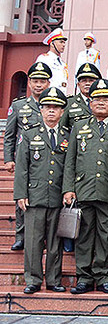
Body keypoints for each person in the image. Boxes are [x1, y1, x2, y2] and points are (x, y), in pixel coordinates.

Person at [63, 79, 108, 295]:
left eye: (105, 99)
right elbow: (70, 160)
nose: (100, 102)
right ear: (90, 103)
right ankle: (84, 277)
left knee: (107, 236)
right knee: (84, 235)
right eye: (96, 99)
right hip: (84, 189)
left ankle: (104, 276)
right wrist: (68, 188)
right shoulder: (79, 127)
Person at [14, 87, 69, 294]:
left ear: (62, 111)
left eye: (56, 107)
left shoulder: (67, 135)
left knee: (55, 242)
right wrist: (21, 194)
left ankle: (54, 279)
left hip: (57, 195)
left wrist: (68, 190)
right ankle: (33, 279)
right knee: (33, 241)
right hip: (34, 196)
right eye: (47, 107)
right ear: (41, 110)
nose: (51, 111)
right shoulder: (29, 134)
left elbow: (70, 167)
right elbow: (22, 167)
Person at [4, 62, 52, 251]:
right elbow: (9, 135)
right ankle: (21, 235)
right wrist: (9, 159)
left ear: (48, 83)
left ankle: (44, 235)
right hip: (24, 159)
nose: (39, 85)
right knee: (21, 197)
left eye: (42, 81)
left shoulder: (53, 105)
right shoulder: (18, 106)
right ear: (29, 83)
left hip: (46, 158)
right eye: (35, 81)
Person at [60, 63, 101, 130]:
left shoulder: (104, 102)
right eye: (84, 81)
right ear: (78, 84)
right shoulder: (69, 103)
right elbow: (62, 127)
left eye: (91, 80)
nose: (87, 83)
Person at [36, 28, 68, 92]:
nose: (63, 45)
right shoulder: (44, 59)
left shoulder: (62, 63)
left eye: (64, 43)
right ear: (52, 44)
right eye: (61, 42)